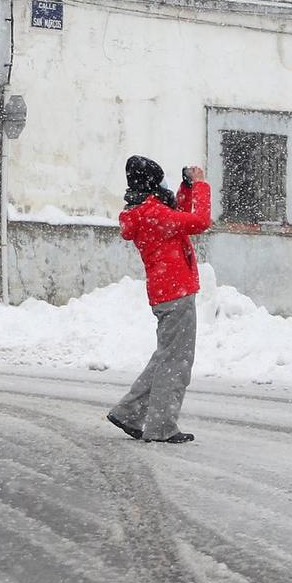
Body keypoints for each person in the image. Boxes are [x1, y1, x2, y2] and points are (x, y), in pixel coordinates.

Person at [106, 154, 211, 444]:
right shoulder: (154, 214)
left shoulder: (144, 212)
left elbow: (180, 216)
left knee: (166, 357)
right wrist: (201, 185)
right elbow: (199, 221)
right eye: (161, 180)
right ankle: (162, 425)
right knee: (176, 361)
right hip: (175, 292)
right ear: (153, 183)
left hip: (166, 291)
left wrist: (187, 188)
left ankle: (128, 412)